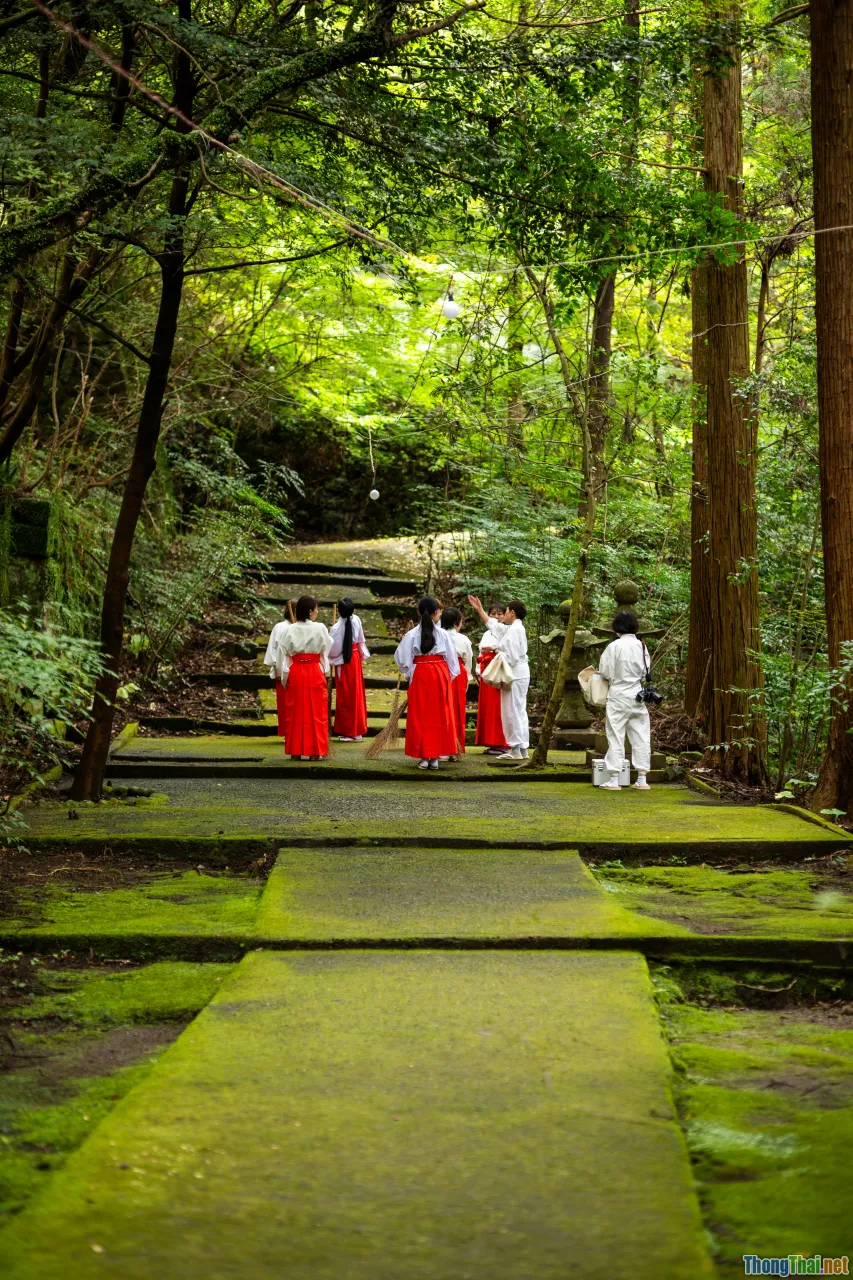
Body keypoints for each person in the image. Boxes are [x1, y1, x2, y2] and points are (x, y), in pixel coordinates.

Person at [394, 596, 460, 770]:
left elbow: (401, 659)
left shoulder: (411, 635)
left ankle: (424, 756)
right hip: (440, 673)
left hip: (421, 673)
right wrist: (446, 678)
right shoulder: (444, 634)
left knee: (420, 715)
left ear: (418, 612)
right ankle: (436, 756)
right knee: (440, 715)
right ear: (436, 612)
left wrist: (410, 675)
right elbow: (453, 662)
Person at [468, 595, 530, 760]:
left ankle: (516, 748)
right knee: (519, 710)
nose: (504, 615)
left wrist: (494, 650)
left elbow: (511, 657)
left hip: (515, 673)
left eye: (507, 611)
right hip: (521, 673)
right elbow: (494, 626)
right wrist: (480, 610)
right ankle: (522, 748)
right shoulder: (516, 628)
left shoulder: (515, 630)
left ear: (512, 613)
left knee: (511, 711)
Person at [596, 610, 652, 791]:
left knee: (615, 735)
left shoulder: (614, 646)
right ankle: (642, 778)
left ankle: (614, 779)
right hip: (637, 695)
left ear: (617, 627)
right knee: (641, 735)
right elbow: (645, 672)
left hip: (618, 694)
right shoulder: (641, 646)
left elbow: (605, 671)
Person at [277, 595, 332, 760]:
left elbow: (283, 655)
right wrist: (325, 671)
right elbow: (326, 650)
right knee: (317, 713)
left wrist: (285, 678)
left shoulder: (288, 630)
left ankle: (296, 751)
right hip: (315, 670)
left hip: (296, 671)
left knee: (295, 712)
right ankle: (315, 752)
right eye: (315, 608)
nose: (317, 611)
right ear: (310, 611)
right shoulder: (320, 628)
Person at [329, 596, 370, 741]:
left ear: (339, 611)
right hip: (354, 659)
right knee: (354, 695)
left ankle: (352, 732)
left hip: (344, 662)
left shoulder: (336, 628)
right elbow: (360, 641)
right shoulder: (356, 620)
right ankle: (352, 730)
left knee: (346, 697)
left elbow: (332, 650)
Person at [474, 602, 509, 755]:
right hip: (485, 671)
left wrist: (494, 651)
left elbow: (508, 651)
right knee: (488, 709)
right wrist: (478, 672)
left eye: (499, 613)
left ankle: (502, 742)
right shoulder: (486, 634)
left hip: (498, 672)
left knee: (498, 708)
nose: (496, 617)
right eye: (492, 613)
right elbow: (480, 653)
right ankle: (491, 742)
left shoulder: (506, 630)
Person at [440, 606, 473, 760]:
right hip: (459, 673)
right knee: (457, 710)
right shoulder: (463, 639)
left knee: (441, 709)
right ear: (456, 623)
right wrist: (468, 678)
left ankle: (442, 748)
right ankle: (455, 749)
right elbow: (468, 660)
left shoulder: (437, 636)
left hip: (440, 670)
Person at [263, 600, 296, 737]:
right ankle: (287, 731)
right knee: (284, 703)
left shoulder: (301, 627)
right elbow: (273, 648)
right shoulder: (280, 627)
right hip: (282, 668)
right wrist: (276, 666)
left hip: (297, 667)